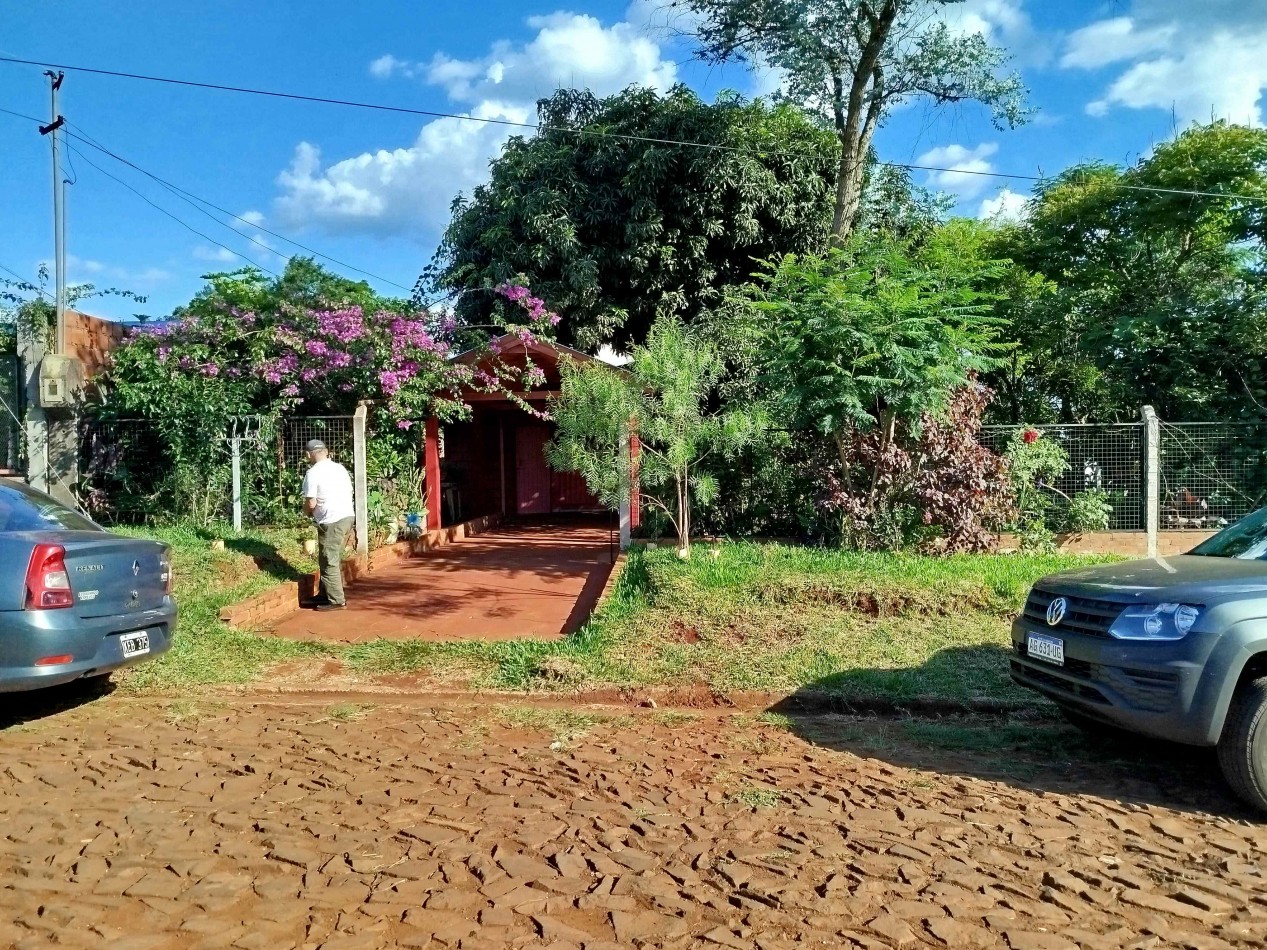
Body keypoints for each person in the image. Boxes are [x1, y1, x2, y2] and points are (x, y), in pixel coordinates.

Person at [301, 439, 354, 611]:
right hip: (346, 516)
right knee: (330, 557)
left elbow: (311, 502)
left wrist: (306, 514)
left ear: (308, 454)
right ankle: (325, 595)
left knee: (328, 559)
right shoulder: (340, 468)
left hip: (331, 520)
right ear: (326, 451)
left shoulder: (313, 473)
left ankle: (337, 601)